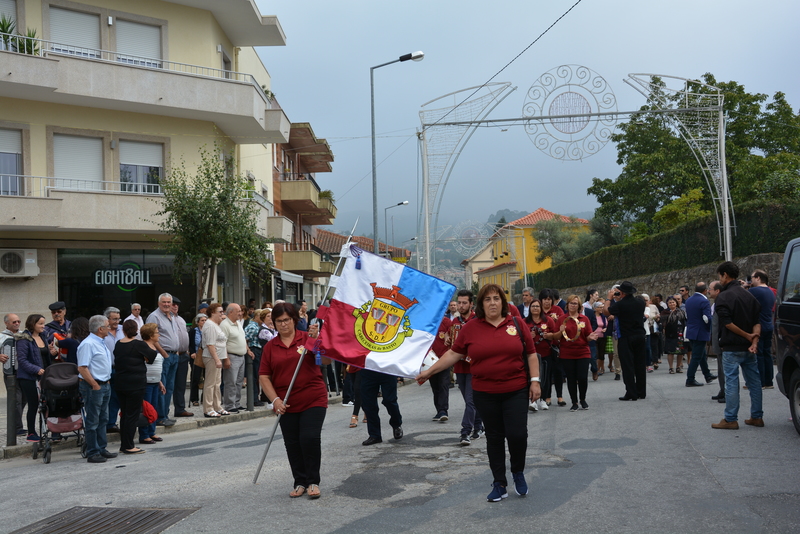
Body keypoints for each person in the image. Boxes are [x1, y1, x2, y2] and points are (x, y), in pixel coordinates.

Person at [417, 283, 540, 502]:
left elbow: (531, 354)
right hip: (485, 392)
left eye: (496, 298)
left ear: (502, 301)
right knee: (494, 438)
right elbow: (453, 354)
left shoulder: (516, 323)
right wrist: (428, 372)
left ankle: (518, 472)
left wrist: (535, 381)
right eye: (487, 299)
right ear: (481, 304)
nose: (493, 302)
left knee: (517, 435)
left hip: (516, 390)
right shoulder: (471, 328)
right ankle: (499, 483)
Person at [259, 302, 328, 499]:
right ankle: (300, 481)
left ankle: (313, 480)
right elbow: (264, 376)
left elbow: (326, 361)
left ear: (294, 320)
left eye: (286, 320)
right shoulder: (271, 347)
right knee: (293, 442)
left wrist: (317, 342)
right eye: (279, 321)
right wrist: (275, 400)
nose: (283, 324)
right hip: (286, 401)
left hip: (313, 396)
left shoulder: (307, 338)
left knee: (309, 438)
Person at [712, 261, 764, 429]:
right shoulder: (749, 295)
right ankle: (756, 416)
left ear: (725, 275)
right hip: (748, 347)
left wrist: (748, 336)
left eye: (720, 276)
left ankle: (730, 418)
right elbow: (757, 321)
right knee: (754, 382)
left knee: (732, 382)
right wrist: (753, 340)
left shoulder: (723, 297)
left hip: (732, 346)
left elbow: (727, 323)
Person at [77, 315, 117, 463]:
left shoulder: (100, 342)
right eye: (107, 326)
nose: (110, 328)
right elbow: (82, 367)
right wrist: (94, 384)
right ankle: (92, 451)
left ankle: (101, 448)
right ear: (100, 329)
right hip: (94, 385)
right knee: (93, 419)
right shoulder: (88, 344)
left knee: (103, 418)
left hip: (104, 384)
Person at [114, 319, 157, 454]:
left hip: (121, 383)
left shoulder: (118, 344)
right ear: (136, 330)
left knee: (125, 414)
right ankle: (129, 445)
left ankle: (124, 444)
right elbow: (152, 357)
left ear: (123, 330)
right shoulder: (138, 344)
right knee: (132, 415)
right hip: (135, 383)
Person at [16, 314, 58, 442]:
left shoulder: (42, 337)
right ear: (33, 324)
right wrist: (36, 369)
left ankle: (51, 430)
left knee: (49, 403)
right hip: (29, 377)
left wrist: (52, 354)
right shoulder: (24, 339)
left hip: (45, 375)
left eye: (43, 323)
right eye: (40, 324)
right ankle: (31, 432)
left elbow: (44, 357)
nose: (43, 326)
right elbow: (22, 360)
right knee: (34, 404)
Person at [449, 289, 483, 445]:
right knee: (470, 400)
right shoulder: (455, 322)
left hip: (474, 367)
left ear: (471, 304)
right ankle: (478, 425)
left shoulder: (478, 321)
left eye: (464, 303)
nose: (461, 306)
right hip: (459, 367)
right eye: (459, 302)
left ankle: (465, 432)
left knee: (470, 400)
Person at [557, 295, 599, 411]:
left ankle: (582, 399)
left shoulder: (584, 319)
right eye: (571, 303)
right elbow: (557, 336)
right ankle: (574, 402)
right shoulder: (562, 319)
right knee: (571, 378)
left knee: (582, 377)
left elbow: (588, 335)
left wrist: (592, 337)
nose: (572, 305)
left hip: (583, 352)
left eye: (575, 303)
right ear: (567, 305)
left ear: (579, 306)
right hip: (567, 352)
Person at [606, 281, 647, 401]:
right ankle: (641, 391)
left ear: (622, 293)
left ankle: (631, 392)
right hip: (639, 335)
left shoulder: (620, 304)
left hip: (626, 336)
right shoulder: (640, 302)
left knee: (627, 365)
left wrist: (609, 298)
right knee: (640, 364)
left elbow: (607, 311)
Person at [145, 293, 182, 427]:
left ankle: (165, 414)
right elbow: (149, 337)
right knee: (163, 387)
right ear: (158, 303)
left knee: (170, 387)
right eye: (164, 302)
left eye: (168, 302)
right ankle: (160, 416)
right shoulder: (154, 316)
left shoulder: (171, 316)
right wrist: (163, 353)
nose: (166, 304)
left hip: (174, 355)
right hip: (163, 356)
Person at [526, 298, 557, 410]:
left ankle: (543, 399)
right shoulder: (525, 322)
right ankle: (532, 400)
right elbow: (519, 338)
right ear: (530, 308)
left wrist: (549, 336)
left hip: (545, 353)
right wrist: (529, 336)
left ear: (541, 308)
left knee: (545, 378)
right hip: (531, 355)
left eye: (537, 306)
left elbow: (555, 335)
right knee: (531, 377)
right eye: (533, 306)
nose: (535, 308)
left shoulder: (548, 320)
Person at [220, 303, 252, 413]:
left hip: (241, 356)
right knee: (231, 382)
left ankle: (236, 403)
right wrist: (226, 358)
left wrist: (248, 350)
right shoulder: (225, 325)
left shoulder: (237, 323)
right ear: (230, 312)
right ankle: (229, 405)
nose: (241, 313)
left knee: (239, 382)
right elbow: (222, 343)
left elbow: (242, 338)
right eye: (238, 311)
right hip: (232, 356)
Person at [684, 282, 717, 387]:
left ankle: (707, 374)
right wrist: (710, 330)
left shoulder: (689, 300)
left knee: (701, 354)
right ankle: (690, 378)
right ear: (705, 290)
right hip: (700, 331)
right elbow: (706, 318)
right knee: (697, 356)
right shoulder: (704, 301)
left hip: (691, 330)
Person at [138, 323, 166, 444]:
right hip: (146, 382)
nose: (158, 334)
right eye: (156, 332)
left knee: (153, 408)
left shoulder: (154, 346)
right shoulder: (143, 346)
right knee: (146, 409)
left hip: (155, 381)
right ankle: (144, 434)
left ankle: (151, 431)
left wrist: (160, 381)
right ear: (150, 335)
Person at [749, 269, 776, 388]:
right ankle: (768, 381)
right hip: (769, 325)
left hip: (759, 326)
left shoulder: (755, 290)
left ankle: (760, 381)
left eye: (752, 278)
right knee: (767, 353)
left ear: (758, 278)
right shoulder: (770, 291)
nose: (751, 280)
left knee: (758, 354)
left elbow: (744, 298)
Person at [1, 313, 26, 438]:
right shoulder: (1, 336)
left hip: (24, 372)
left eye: (18, 321)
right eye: (14, 322)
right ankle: (17, 427)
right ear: (6, 323)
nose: (17, 324)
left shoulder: (23, 335)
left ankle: (17, 424)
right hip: (11, 373)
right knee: (16, 400)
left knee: (24, 398)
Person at [201, 303, 228, 417]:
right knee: (210, 383)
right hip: (212, 357)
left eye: (222, 312)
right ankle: (208, 408)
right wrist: (216, 359)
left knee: (217, 383)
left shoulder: (216, 324)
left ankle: (217, 406)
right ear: (213, 313)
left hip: (218, 356)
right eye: (220, 312)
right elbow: (210, 345)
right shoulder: (210, 325)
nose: (222, 314)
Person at [540, 288, 565, 405]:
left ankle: (560, 396)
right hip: (544, 347)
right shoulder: (538, 311)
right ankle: (547, 396)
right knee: (547, 373)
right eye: (544, 299)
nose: (547, 302)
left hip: (557, 346)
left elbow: (564, 324)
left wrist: (556, 321)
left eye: (549, 299)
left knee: (558, 371)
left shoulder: (558, 310)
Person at [170, 297, 193, 418]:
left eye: (177, 305)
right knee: (169, 384)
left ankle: (180, 408)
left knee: (181, 384)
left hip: (184, 354)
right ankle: (163, 412)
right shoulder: (166, 319)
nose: (175, 306)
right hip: (172, 354)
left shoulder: (181, 319)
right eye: (173, 304)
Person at [103, 307, 124, 434]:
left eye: (118, 318)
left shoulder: (123, 330)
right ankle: (106, 423)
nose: (117, 322)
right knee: (106, 397)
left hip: (121, 369)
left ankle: (111, 423)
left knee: (117, 397)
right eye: (114, 319)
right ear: (107, 319)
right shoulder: (102, 332)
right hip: (107, 369)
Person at [708, 281, 726, 403]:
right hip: (718, 341)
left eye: (710, 289)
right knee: (720, 368)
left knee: (724, 368)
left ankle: (726, 392)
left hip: (722, 341)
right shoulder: (716, 303)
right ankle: (722, 390)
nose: (708, 291)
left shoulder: (722, 303)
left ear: (717, 291)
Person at [661, 297, 687, 374]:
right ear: (667, 304)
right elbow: (662, 323)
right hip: (670, 333)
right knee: (670, 351)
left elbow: (684, 321)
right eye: (670, 302)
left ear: (676, 303)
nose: (672, 304)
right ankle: (671, 367)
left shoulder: (681, 312)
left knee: (680, 351)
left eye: (673, 302)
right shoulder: (665, 312)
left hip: (680, 332)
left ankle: (678, 366)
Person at [188, 313, 207, 407]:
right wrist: (192, 352)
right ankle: (194, 399)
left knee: (207, 378)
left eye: (205, 320)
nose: (204, 322)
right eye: (202, 320)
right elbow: (190, 344)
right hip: (196, 355)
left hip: (207, 355)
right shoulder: (193, 331)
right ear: (198, 322)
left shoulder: (208, 330)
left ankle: (205, 397)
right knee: (195, 378)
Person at [583, 289, 600, 380]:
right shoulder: (585, 306)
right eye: (596, 294)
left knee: (593, 356)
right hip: (583, 335)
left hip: (591, 334)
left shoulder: (595, 306)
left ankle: (594, 370)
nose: (597, 296)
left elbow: (595, 322)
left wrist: (591, 331)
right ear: (591, 295)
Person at [594, 301, 611, 376]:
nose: (601, 309)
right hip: (594, 336)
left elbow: (606, 325)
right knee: (596, 353)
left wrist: (605, 329)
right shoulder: (592, 316)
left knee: (601, 353)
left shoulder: (603, 316)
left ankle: (600, 368)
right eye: (600, 307)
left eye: (602, 307)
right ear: (595, 308)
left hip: (602, 336)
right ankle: (596, 369)